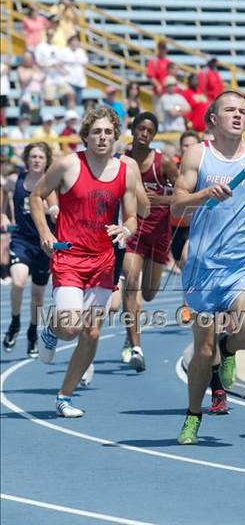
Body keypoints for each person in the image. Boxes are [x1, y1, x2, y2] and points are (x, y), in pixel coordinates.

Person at [172, 90, 245, 444]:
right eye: (230, 110)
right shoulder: (197, 154)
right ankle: (193, 415)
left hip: (243, 265)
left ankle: (229, 347)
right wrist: (205, 193)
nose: (238, 116)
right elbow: (176, 205)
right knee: (203, 353)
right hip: (203, 268)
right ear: (213, 119)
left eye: (243, 111)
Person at [30, 106, 138, 417]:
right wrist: (44, 234)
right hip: (69, 258)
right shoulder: (67, 165)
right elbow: (37, 196)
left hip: (103, 261)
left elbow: (131, 217)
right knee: (71, 327)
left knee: (91, 333)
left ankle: (64, 396)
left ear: (115, 136)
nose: (102, 137)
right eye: (96, 132)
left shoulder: (124, 172)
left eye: (108, 132)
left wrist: (125, 230)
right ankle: (51, 330)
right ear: (86, 136)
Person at [121, 112, 179, 370]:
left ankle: (129, 326)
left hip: (159, 233)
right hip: (133, 232)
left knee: (149, 293)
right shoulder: (123, 160)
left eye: (149, 130)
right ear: (132, 130)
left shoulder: (163, 163)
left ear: (154, 135)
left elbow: (182, 194)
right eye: (140, 128)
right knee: (131, 282)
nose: (144, 133)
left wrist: (161, 200)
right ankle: (136, 346)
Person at [2, 142, 57, 357]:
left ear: (46, 161)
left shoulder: (51, 183)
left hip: (43, 244)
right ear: (27, 159)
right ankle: (15, 323)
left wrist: (52, 211)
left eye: (40, 157)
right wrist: (3, 214)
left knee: (38, 296)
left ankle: (32, 332)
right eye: (33, 156)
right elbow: (4, 189)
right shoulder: (16, 180)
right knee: (17, 281)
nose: (36, 160)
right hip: (21, 240)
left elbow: (56, 208)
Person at [60, 35, 88, 106]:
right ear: (69, 42)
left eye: (76, 41)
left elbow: (85, 63)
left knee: (78, 102)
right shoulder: (64, 51)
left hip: (79, 81)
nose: (75, 42)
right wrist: (63, 71)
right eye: (73, 41)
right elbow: (59, 63)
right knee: (69, 102)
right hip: (68, 81)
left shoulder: (81, 51)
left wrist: (84, 71)